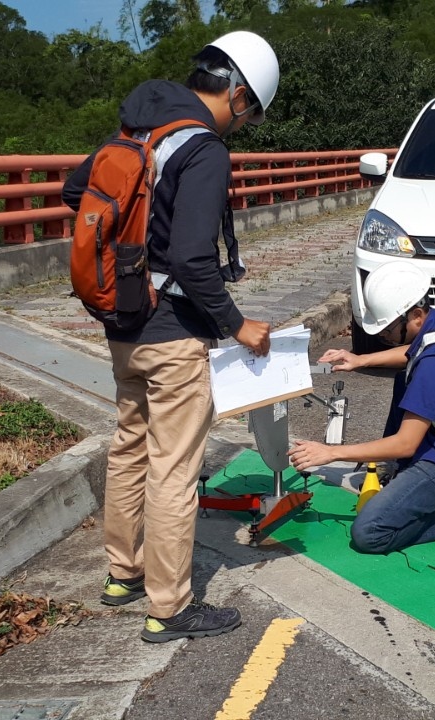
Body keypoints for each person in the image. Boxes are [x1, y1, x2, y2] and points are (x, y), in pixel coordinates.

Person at [62, 31, 279, 642]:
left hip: (122, 325)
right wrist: (238, 326)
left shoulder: (134, 132)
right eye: (252, 112)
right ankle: (170, 607)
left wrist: (131, 244)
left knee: (130, 446)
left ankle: (122, 574)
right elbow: (191, 258)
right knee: (173, 468)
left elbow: (75, 191)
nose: (245, 124)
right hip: (172, 333)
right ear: (238, 96)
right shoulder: (203, 148)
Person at [288, 261, 435, 554]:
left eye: (387, 328)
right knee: (404, 381)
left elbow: (406, 443)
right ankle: (422, 487)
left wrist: (330, 453)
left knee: (368, 533)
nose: (381, 335)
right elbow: (413, 350)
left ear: (416, 315)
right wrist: (360, 360)